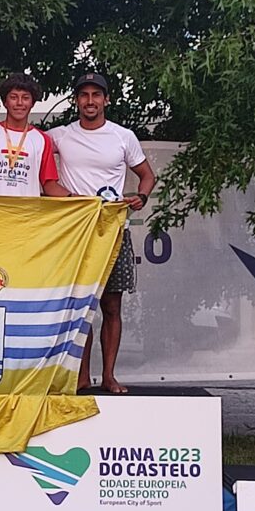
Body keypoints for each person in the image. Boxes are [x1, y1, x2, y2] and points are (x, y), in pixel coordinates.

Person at [50, 72, 156, 393]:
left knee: (111, 307)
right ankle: (81, 377)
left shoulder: (123, 136)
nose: (90, 101)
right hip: (76, 234)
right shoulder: (60, 135)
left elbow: (147, 175)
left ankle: (109, 376)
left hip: (113, 231)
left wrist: (141, 197)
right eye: (84, 95)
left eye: (96, 94)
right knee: (80, 310)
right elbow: (22, 137)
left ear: (106, 100)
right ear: (76, 101)